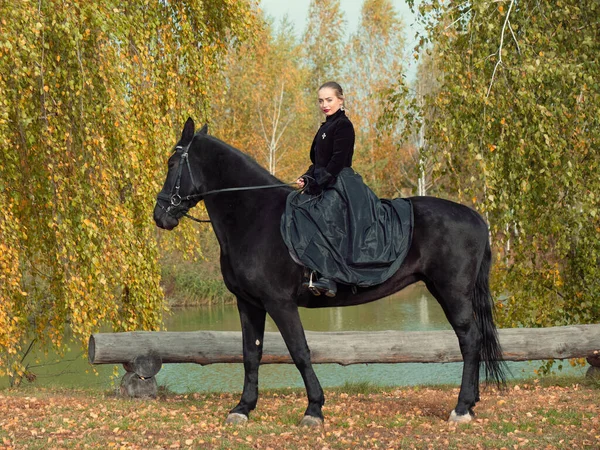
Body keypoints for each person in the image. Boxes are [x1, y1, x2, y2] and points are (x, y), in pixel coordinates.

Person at [296, 81, 355, 297]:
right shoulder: (324, 127)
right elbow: (318, 162)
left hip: (339, 183)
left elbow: (337, 161)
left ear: (341, 99)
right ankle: (307, 272)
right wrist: (307, 177)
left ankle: (330, 278)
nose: (324, 104)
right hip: (323, 181)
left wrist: (318, 181)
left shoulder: (343, 126)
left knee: (327, 220)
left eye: (329, 99)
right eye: (321, 101)